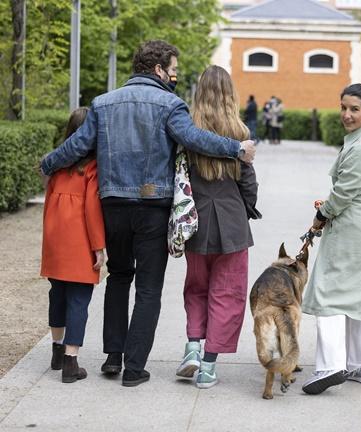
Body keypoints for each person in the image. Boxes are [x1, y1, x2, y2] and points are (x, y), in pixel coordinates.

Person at [40, 40, 256, 388]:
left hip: (113, 206)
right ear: (158, 69)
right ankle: (134, 368)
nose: (175, 75)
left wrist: (48, 164)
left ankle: (113, 356)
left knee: (119, 278)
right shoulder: (171, 105)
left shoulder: (103, 103)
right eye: (172, 68)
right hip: (153, 208)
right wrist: (236, 148)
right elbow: (197, 139)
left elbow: (77, 146)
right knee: (149, 289)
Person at [301, 83, 361, 395]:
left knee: (329, 292)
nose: (347, 114)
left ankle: (330, 365)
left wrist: (320, 217)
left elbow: (342, 195)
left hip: (353, 228)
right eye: (343, 107)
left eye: (355, 109)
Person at [175, 65, 261, 389]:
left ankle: (192, 348)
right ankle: (208, 367)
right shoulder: (239, 133)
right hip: (231, 223)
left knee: (196, 287)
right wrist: (248, 209)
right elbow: (248, 184)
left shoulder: (188, 131)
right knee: (227, 293)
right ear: (230, 95)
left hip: (195, 221)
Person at [40, 107, 106, 384]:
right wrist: (99, 247)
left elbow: (47, 205)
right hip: (79, 243)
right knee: (79, 300)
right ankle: (70, 361)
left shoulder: (56, 168)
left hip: (55, 241)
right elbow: (92, 210)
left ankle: (56, 351)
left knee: (58, 295)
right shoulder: (92, 169)